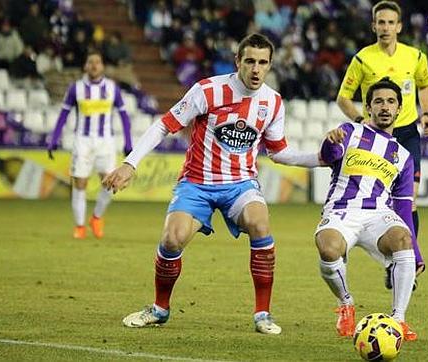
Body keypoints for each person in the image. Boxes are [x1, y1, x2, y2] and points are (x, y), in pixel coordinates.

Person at [102, 33, 321, 334]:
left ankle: (263, 314)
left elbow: (279, 152)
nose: (256, 70)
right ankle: (160, 309)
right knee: (172, 239)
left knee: (260, 223)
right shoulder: (208, 91)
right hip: (197, 183)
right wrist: (130, 163)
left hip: (241, 185)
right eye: (250, 62)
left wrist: (321, 158)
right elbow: (164, 125)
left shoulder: (273, 102)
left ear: (270, 65)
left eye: (263, 63)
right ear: (237, 61)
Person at [336, 0, 428, 288]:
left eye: (391, 22)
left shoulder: (415, 57)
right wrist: (358, 119)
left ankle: (406, 262)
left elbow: (424, 85)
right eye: (381, 22)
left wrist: (426, 112)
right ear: (373, 25)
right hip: (375, 138)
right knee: (376, 199)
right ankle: (392, 261)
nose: (385, 27)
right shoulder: (363, 59)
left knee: (409, 200)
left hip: (407, 134)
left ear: (399, 26)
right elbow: (343, 96)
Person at [318, 77, 422, 341]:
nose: (385, 107)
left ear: (400, 108)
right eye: (378, 102)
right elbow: (330, 157)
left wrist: (416, 251)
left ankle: (398, 320)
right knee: (329, 248)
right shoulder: (350, 131)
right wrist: (330, 142)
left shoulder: (403, 156)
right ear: (368, 108)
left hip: (378, 214)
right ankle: (346, 303)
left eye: (391, 102)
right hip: (342, 210)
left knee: (402, 238)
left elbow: (403, 204)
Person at [47, 50, 132, 239]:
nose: (94, 65)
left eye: (97, 62)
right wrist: (54, 138)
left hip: (106, 142)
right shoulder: (76, 88)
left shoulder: (112, 88)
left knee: (111, 183)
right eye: (90, 62)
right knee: (80, 183)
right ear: (85, 66)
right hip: (83, 141)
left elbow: (124, 116)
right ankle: (79, 226)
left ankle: (96, 217)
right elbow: (63, 114)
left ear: (102, 66)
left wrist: (128, 141)